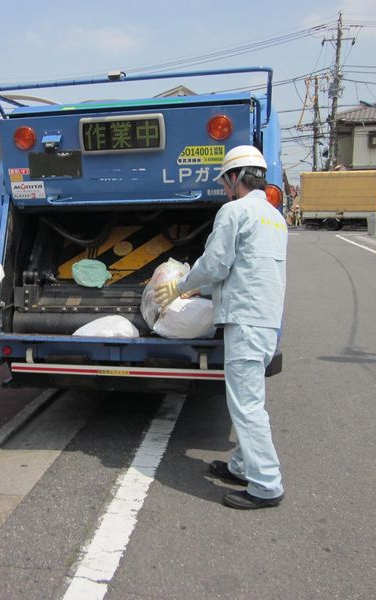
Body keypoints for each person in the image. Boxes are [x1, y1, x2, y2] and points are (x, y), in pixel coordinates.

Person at [155, 145, 287, 510]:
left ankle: (266, 485)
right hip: (264, 318)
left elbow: (215, 263)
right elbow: (247, 268)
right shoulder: (274, 217)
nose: (226, 188)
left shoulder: (234, 211)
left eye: (226, 181)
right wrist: (205, 287)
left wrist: (180, 285)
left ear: (234, 177)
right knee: (249, 399)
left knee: (246, 406)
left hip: (244, 318)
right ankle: (243, 465)